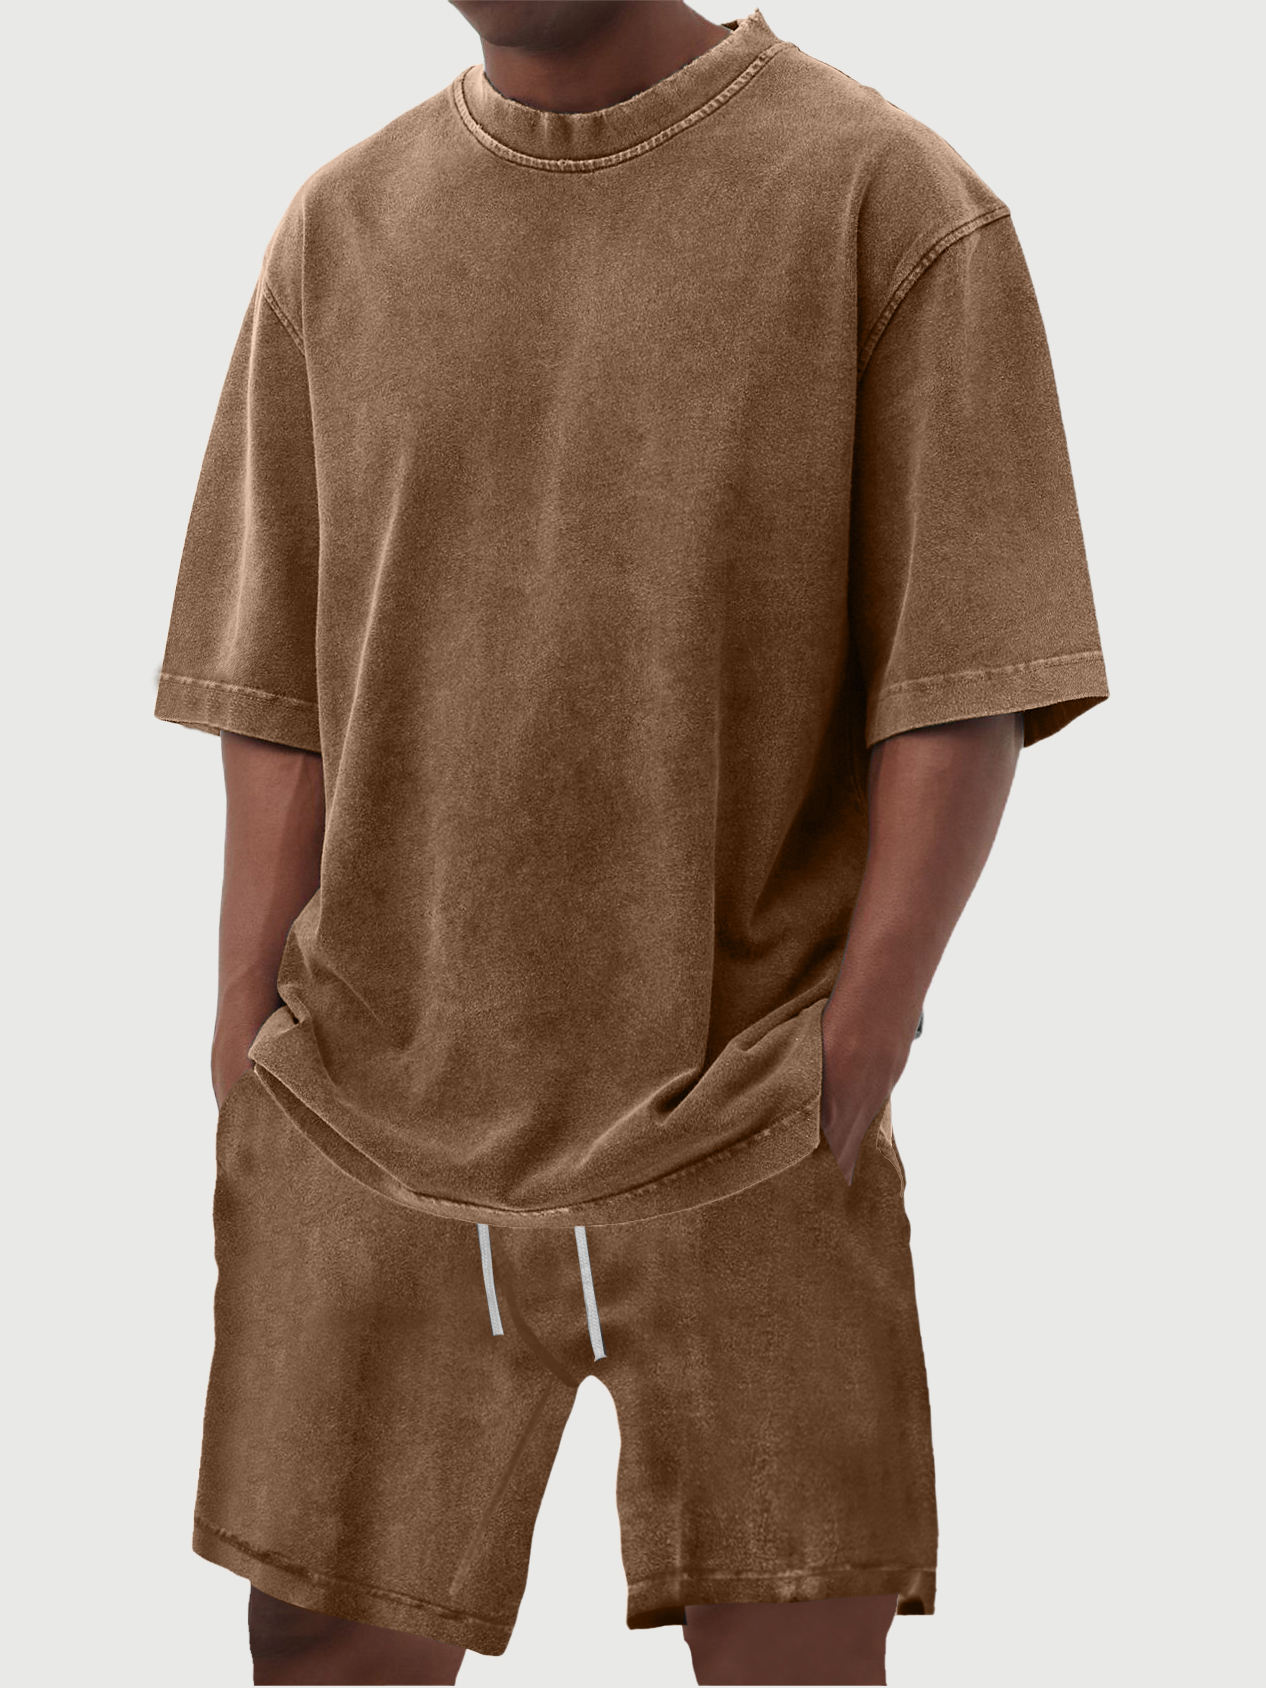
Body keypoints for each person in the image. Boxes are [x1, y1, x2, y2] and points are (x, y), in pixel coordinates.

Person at [154, 5, 1108, 1682]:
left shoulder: (882, 200)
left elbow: (962, 669)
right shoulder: (342, 226)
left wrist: (859, 1038)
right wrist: (245, 1027)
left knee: (796, 1646)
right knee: (325, 1650)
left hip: (743, 1100)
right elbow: (275, 676)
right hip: (366, 1110)